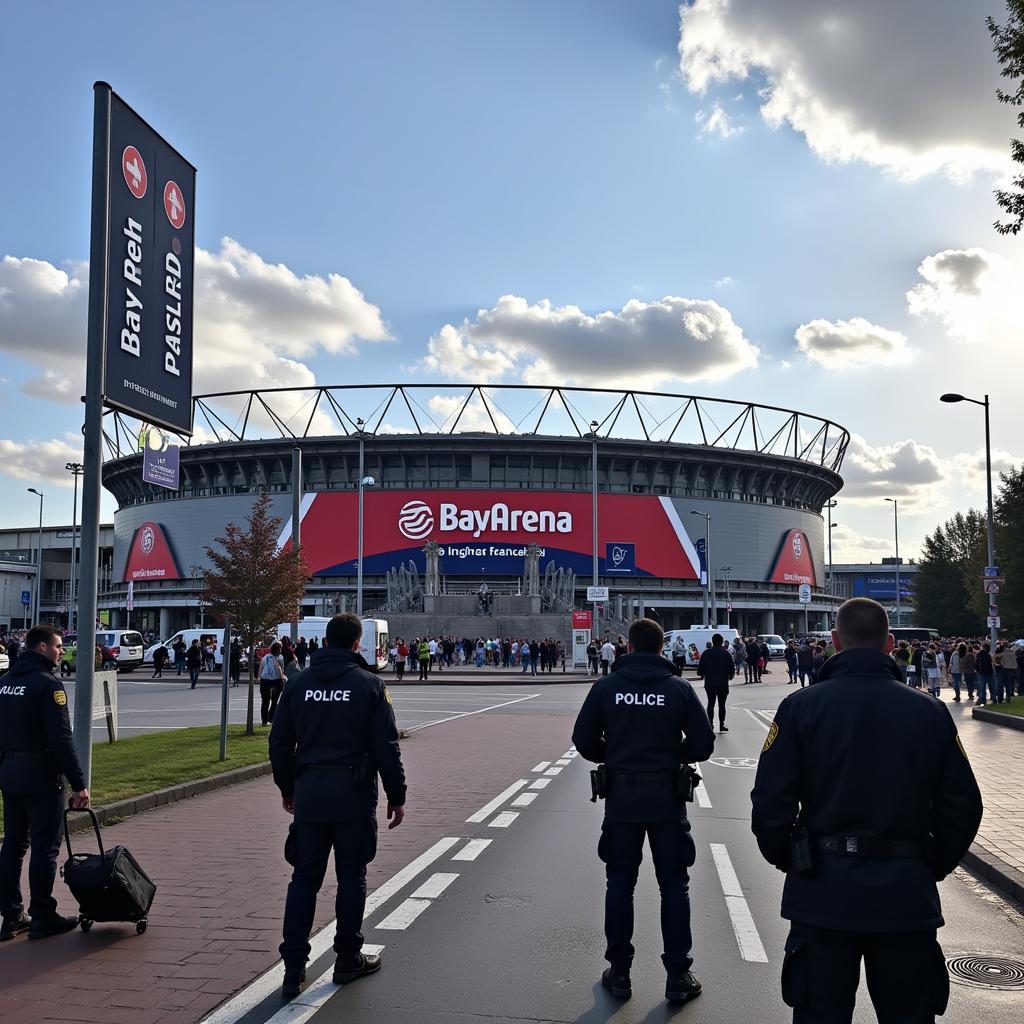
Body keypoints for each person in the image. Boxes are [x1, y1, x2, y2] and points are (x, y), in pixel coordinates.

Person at [751, 598, 983, 1024]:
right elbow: (964, 805)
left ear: (835, 642)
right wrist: (931, 864)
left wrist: (795, 860)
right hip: (904, 896)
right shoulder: (928, 711)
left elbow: (769, 803)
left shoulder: (801, 708)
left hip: (822, 894)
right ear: (890, 643)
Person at [572, 618, 716, 1005]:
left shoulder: (606, 688)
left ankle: (619, 972)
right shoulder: (679, 689)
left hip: (622, 799)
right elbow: (703, 745)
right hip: (667, 800)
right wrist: (672, 755)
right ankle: (678, 975)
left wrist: (614, 756)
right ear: (661, 648)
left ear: (628, 646)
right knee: (675, 885)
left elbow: (583, 739)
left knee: (619, 883)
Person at [269, 613, 407, 999]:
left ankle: (293, 969)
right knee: (352, 877)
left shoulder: (297, 685)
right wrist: (397, 794)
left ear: (327, 641)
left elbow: (279, 744)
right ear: (356, 643)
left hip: (310, 793)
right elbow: (386, 746)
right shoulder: (369, 685)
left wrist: (287, 788)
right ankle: (347, 958)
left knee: (303, 880)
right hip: (354, 793)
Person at [0, 625, 90, 941]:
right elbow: (61, 739)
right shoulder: (48, 685)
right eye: (58, 645)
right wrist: (79, 783)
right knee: (44, 848)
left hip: (10, 774)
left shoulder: (5, 682)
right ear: (41, 648)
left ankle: (11, 916)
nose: (61, 650)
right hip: (41, 777)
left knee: (12, 846)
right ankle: (42, 915)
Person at [697, 633, 735, 733]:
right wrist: (730, 675)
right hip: (723, 683)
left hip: (710, 683)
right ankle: (721, 724)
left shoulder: (706, 653)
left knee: (710, 704)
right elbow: (732, 669)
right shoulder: (726, 654)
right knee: (722, 705)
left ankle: (710, 724)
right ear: (722, 642)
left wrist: (705, 673)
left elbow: (700, 671)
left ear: (712, 641)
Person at [259, 641, 286, 725]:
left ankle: (264, 721)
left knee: (265, 701)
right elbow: (279, 668)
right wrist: (282, 677)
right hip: (276, 680)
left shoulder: (266, 657)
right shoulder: (280, 658)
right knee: (274, 701)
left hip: (265, 680)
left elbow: (261, 666)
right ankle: (271, 719)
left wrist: (258, 677)